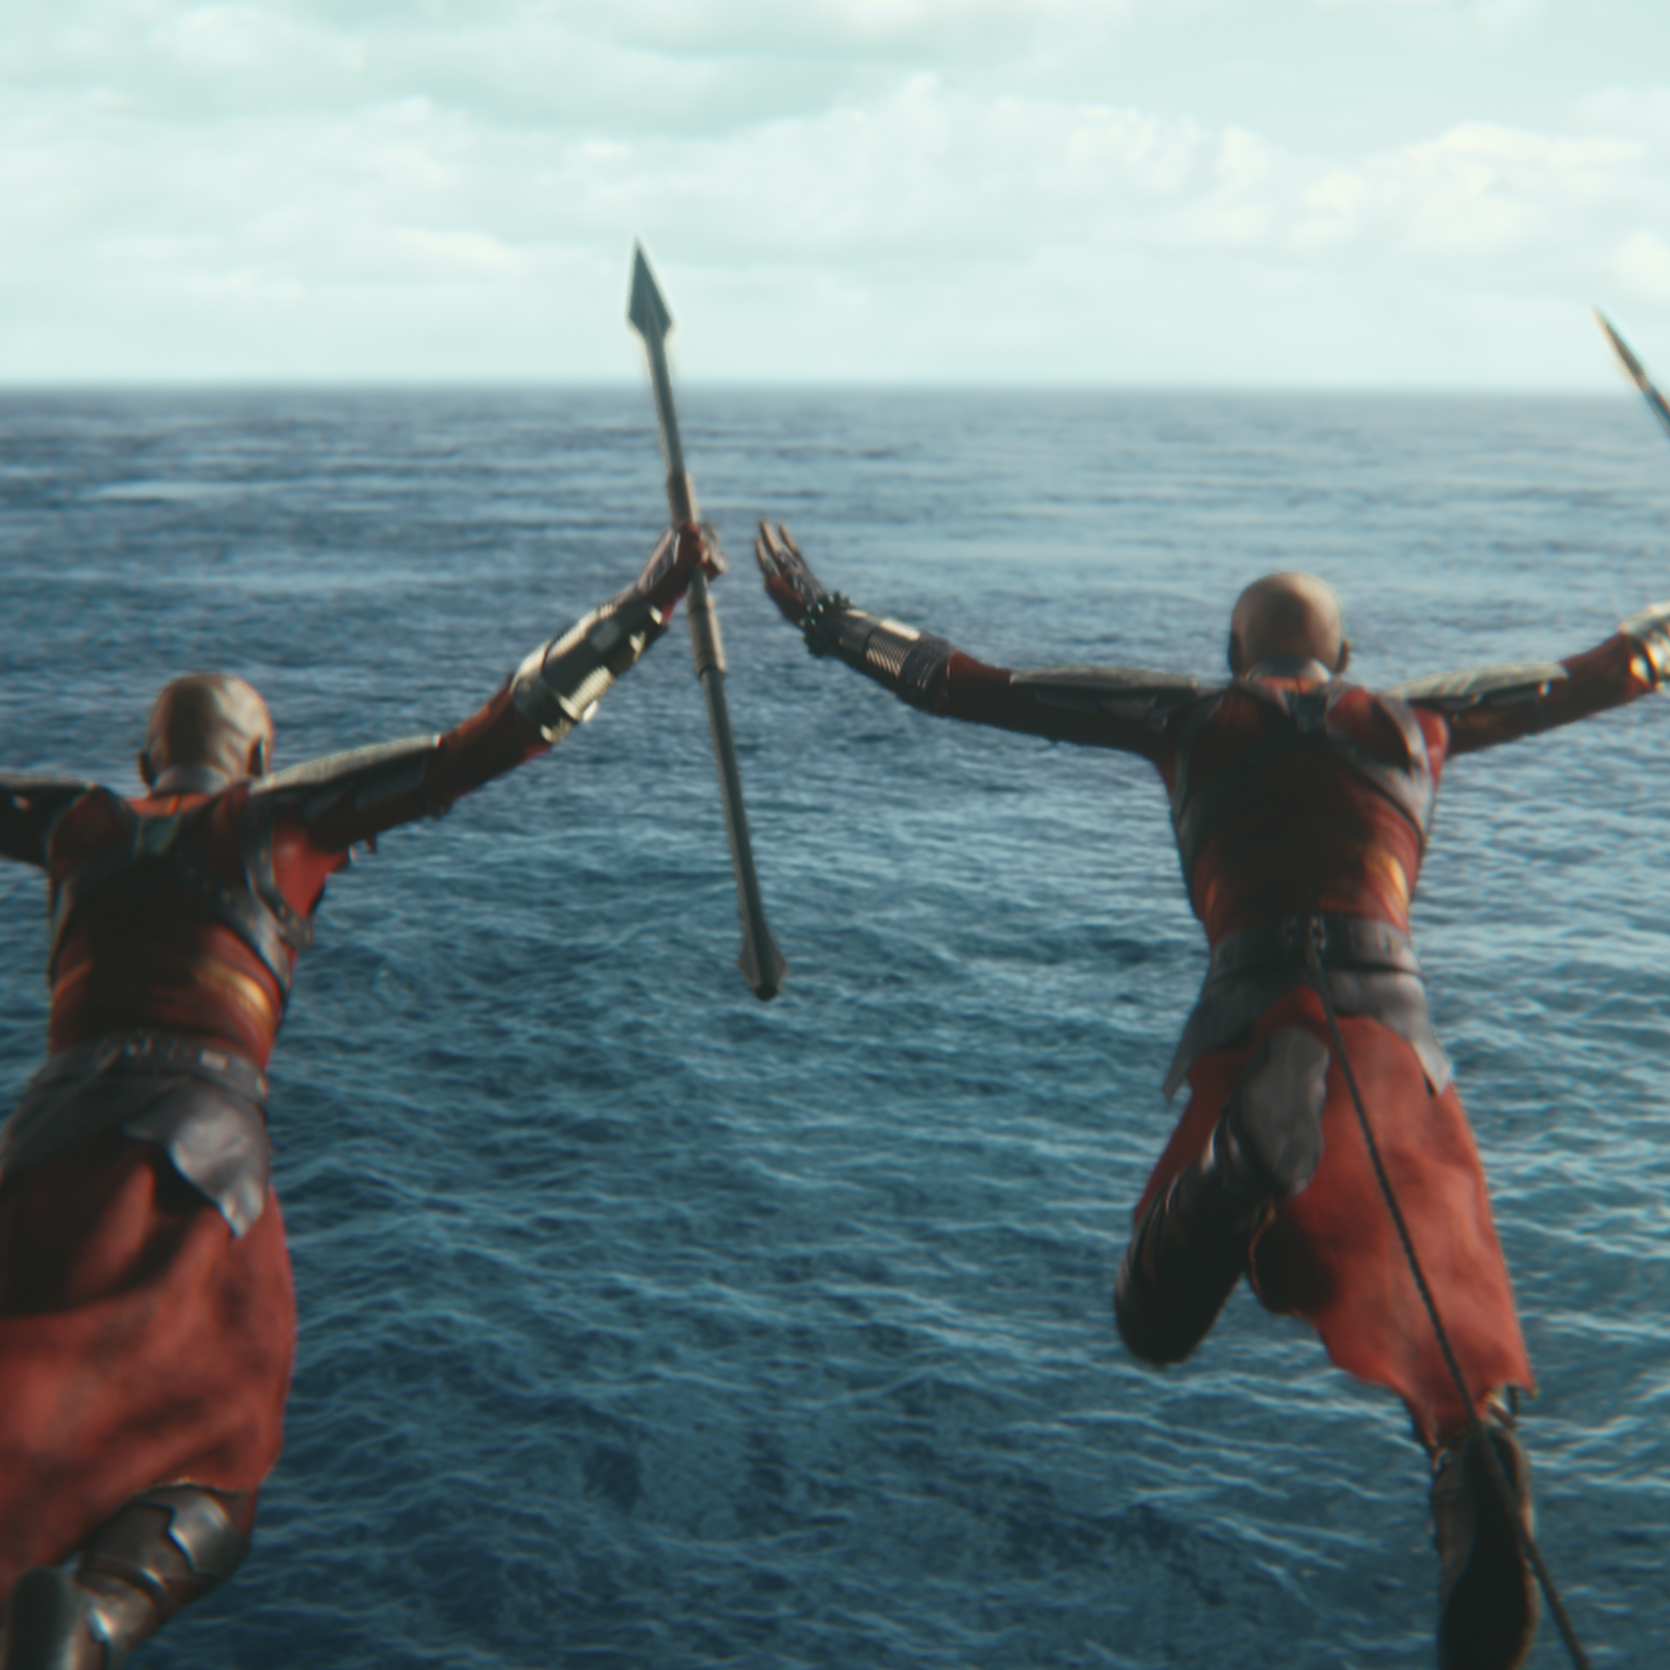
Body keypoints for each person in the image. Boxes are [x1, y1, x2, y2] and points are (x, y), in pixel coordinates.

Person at [755, 522, 1667, 1670]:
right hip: (1392, 1032)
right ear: (1344, 653)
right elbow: (1611, 668)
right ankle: (1468, 1450)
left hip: (1254, 1013)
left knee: (1154, 1316)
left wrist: (828, 620)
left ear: (1232, 649)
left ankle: (1240, 1163)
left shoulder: (1188, 714)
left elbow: (966, 682)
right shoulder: (1414, 718)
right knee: (1450, 1341)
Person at [0, 522, 721, 1670]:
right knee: (219, 1439)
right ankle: (92, 1620)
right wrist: (644, 604)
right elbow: (492, 735)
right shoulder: (276, 816)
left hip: (39, 1137)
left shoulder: (74, 822)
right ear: (256, 755)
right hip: (196, 1140)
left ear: (145, 761)